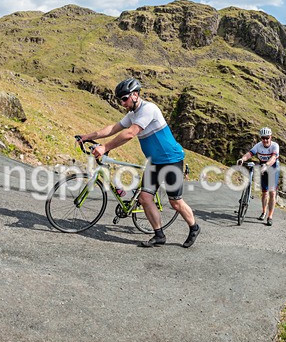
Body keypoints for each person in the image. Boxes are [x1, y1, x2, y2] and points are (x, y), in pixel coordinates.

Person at [79, 78, 200, 248]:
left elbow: (130, 133)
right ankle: (159, 235)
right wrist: (87, 136)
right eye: (120, 100)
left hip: (171, 160)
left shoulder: (148, 109)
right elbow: (113, 128)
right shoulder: (133, 114)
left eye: (124, 99)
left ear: (135, 95)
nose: (122, 103)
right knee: (145, 198)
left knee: (175, 202)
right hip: (154, 162)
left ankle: (194, 227)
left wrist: (105, 147)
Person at [236, 127, 280, 226]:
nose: (265, 140)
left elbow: (273, 158)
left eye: (267, 138)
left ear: (271, 137)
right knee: (264, 192)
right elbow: (249, 154)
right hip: (262, 167)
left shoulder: (275, 146)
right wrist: (242, 159)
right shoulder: (258, 146)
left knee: (272, 193)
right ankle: (264, 212)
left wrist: (266, 165)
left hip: (273, 168)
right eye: (263, 138)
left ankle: (270, 217)